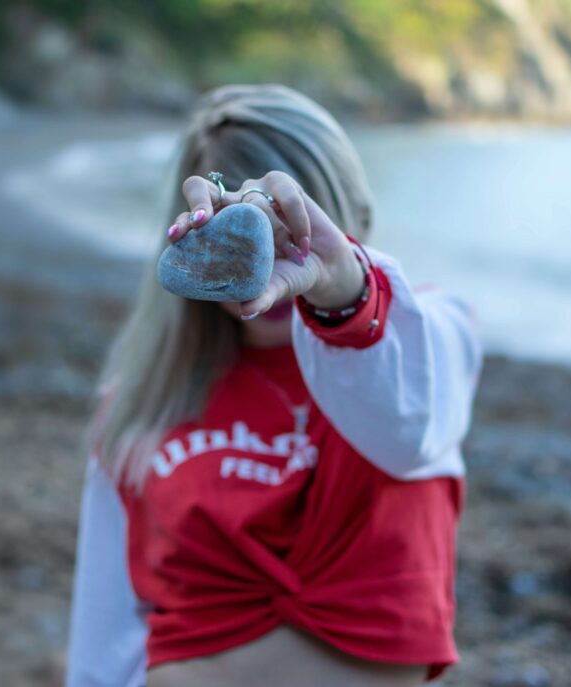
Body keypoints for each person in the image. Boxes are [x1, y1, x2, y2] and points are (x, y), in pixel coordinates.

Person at [66, 84, 482, 687]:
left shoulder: (426, 341)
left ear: (357, 216)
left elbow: (410, 429)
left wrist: (342, 290)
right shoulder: (139, 402)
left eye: (298, 222)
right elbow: (103, 642)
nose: (276, 260)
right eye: (248, 234)